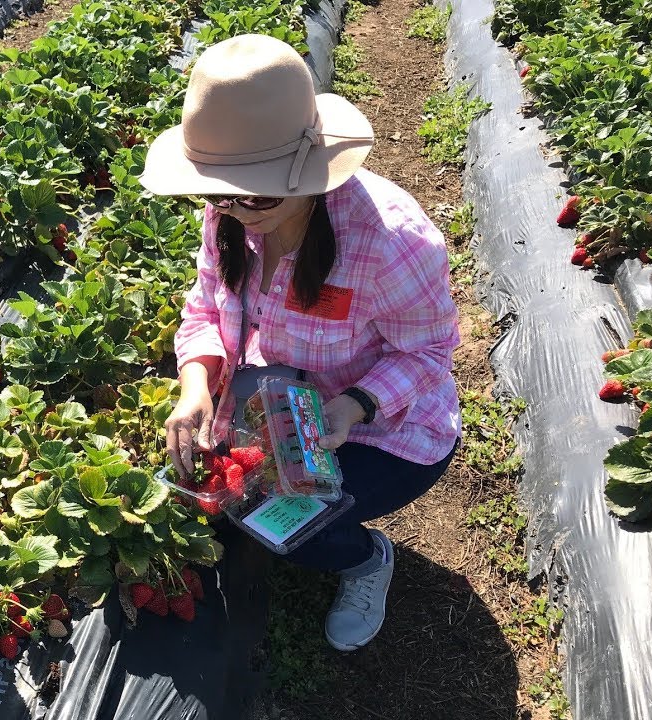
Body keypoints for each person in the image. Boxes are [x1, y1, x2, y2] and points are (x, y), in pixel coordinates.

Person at [140, 34, 462, 652]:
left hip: (382, 425)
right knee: (233, 494)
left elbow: (428, 353)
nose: (233, 208)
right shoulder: (232, 214)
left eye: (255, 192)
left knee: (296, 524)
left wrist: (355, 407)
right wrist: (196, 386)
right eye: (215, 193)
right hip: (285, 398)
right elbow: (207, 305)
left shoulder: (390, 241)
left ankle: (365, 560)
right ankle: (300, 512)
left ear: (309, 172)